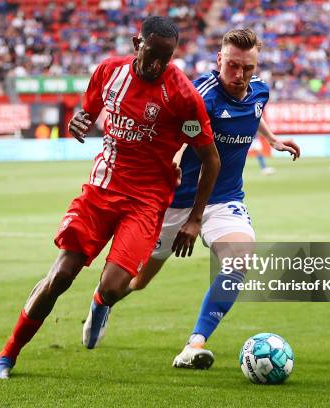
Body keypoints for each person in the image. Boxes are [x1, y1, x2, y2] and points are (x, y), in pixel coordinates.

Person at [0, 16, 221, 380]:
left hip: (145, 203)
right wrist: (78, 122)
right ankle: (7, 355)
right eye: (151, 54)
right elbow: (88, 113)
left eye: (166, 58)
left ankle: (100, 304)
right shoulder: (109, 72)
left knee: (112, 289)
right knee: (60, 275)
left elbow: (209, 157)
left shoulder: (183, 97)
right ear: (135, 43)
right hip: (101, 190)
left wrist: (194, 218)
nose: (157, 64)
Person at [81, 28, 300, 368]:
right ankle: (101, 300)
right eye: (232, 66)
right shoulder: (201, 92)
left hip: (223, 198)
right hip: (174, 204)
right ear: (219, 60)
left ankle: (193, 346)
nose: (239, 75)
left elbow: (254, 114)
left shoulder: (260, 91)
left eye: (247, 67)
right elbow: (182, 125)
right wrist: (174, 157)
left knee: (239, 260)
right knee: (137, 282)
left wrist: (274, 139)